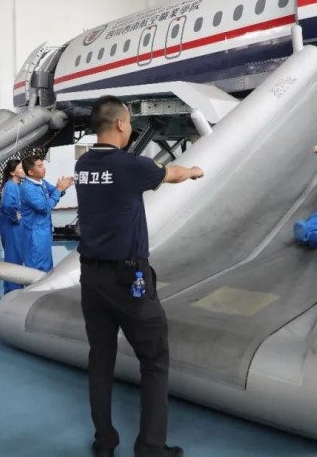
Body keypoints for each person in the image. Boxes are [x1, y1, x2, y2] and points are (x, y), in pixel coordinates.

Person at [76, 95, 204, 457]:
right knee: (154, 360)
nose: (130, 127)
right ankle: (150, 447)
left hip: (91, 278)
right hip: (127, 278)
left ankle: (104, 442)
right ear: (120, 123)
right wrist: (194, 171)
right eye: (129, 122)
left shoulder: (84, 165)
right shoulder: (129, 165)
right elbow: (173, 173)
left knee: (100, 360)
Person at [20, 155, 74, 273]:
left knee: (46, 264)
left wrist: (63, 188)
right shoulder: (27, 188)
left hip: (44, 230)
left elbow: (55, 192)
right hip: (35, 233)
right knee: (36, 266)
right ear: (31, 172)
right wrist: (59, 189)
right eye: (40, 166)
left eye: (43, 165)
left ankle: (45, 284)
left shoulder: (42, 182)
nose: (44, 168)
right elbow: (45, 207)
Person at [0, 159, 26, 293]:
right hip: (11, 227)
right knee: (13, 258)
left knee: (18, 257)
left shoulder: (18, 185)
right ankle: (12, 291)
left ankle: (16, 289)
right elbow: (8, 206)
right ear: (12, 172)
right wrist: (16, 217)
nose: (23, 170)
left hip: (17, 227)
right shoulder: (10, 186)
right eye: (20, 168)